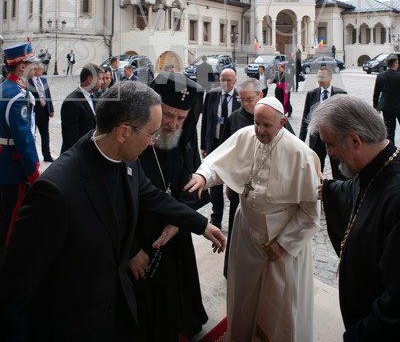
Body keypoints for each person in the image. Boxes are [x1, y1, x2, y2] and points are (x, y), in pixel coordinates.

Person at [0, 82, 225, 342]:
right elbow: (15, 292)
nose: (152, 142)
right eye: (150, 134)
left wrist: (200, 224)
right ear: (123, 132)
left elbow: (152, 196)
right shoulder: (54, 192)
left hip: (117, 309)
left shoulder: (126, 161)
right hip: (75, 324)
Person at [186, 97, 320, 342]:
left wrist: (284, 244)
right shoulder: (247, 136)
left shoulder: (299, 153)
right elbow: (218, 162)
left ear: (282, 123)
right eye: (257, 123)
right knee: (244, 292)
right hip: (247, 230)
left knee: (279, 302)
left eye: (267, 125)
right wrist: (203, 177)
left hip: (281, 238)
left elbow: (310, 214)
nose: (259, 130)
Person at [309, 95, 400, 340]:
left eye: (330, 144)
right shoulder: (375, 167)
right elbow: (356, 189)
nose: (329, 153)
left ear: (355, 140)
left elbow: (395, 302)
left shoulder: (396, 196)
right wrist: (328, 189)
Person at [132, 71, 210, 342]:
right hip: (141, 234)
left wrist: (178, 221)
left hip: (176, 230)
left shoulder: (184, 134)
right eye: (167, 115)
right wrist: (131, 249)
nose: (173, 124)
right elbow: (115, 201)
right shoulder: (136, 136)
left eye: (181, 118)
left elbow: (194, 182)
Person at [220, 78, 263, 277]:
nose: (245, 104)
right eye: (241, 99)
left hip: (264, 187)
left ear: (260, 95)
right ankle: (232, 269)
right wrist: (229, 182)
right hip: (239, 184)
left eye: (249, 99)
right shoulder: (234, 118)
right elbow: (226, 153)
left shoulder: (273, 116)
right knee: (237, 228)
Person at [0, 42, 40, 252]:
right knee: (11, 220)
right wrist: (33, 173)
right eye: (31, 63)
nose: (36, 67)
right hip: (12, 167)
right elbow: (24, 140)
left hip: (4, 161)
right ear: (22, 66)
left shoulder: (6, 88)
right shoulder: (17, 96)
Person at [200, 68, 240, 228]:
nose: (226, 83)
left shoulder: (240, 97)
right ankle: (216, 217)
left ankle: (235, 219)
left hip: (232, 146)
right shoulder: (211, 95)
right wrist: (204, 145)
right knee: (215, 185)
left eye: (229, 80)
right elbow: (205, 121)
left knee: (234, 181)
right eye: (223, 79)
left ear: (235, 81)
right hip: (215, 143)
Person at [299, 67, 347, 179]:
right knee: (316, 166)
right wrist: (301, 139)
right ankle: (317, 185)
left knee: (337, 167)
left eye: (323, 77)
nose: (320, 79)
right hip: (316, 137)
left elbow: (345, 118)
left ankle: (337, 186)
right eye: (319, 77)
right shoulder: (312, 94)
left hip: (334, 137)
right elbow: (306, 118)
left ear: (330, 78)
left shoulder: (340, 94)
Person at [60, 63, 104, 153]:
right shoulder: (71, 102)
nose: (102, 82)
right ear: (90, 79)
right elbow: (71, 139)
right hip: (78, 154)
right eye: (100, 79)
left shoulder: (96, 96)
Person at [29, 62, 55, 162]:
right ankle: (33, 156)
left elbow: (48, 95)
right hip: (34, 112)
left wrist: (51, 109)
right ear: (35, 70)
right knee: (32, 134)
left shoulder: (43, 80)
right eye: (41, 69)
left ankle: (47, 155)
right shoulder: (28, 81)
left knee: (45, 135)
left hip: (44, 111)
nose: (42, 70)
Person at [372, 53, 400, 143]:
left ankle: (391, 149)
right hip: (399, 106)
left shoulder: (380, 76)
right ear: (395, 64)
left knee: (389, 131)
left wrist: (375, 106)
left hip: (387, 107)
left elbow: (376, 92)